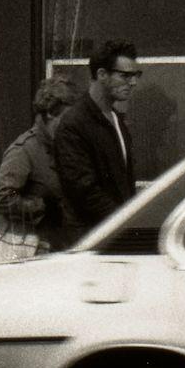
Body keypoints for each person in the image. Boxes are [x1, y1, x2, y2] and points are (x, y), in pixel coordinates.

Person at [47, 43, 138, 242]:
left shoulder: (116, 120)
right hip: (89, 238)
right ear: (102, 74)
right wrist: (126, 221)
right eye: (125, 76)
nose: (133, 82)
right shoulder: (74, 123)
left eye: (135, 75)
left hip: (115, 234)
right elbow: (83, 189)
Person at [0, 78, 74, 261]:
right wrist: (40, 206)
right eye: (66, 118)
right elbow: (3, 197)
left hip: (55, 249)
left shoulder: (63, 147)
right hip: (27, 252)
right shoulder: (24, 150)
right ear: (50, 114)